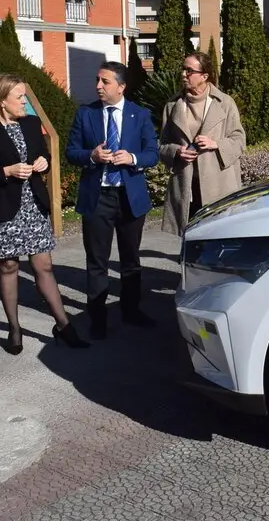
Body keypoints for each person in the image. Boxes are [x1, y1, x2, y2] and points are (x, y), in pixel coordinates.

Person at [0, 73, 89, 354]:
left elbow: (42, 155)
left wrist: (43, 162)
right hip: (2, 208)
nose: (25, 102)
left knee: (43, 266)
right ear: (2, 102)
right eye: (19, 97)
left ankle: (64, 324)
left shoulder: (32, 124)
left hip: (33, 206)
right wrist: (5, 172)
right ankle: (14, 328)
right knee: (8, 266)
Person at [65, 61, 160, 339]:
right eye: (97, 80)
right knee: (97, 262)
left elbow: (152, 153)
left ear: (121, 86)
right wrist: (91, 156)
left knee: (131, 260)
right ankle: (97, 318)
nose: (98, 86)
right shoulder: (86, 114)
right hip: (99, 197)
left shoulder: (139, 114)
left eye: (105, 81)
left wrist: (132, 158)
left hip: (130, 197)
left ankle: (131, 311)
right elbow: (72, 152)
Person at [159, 53, 246, 236]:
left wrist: (215, 144)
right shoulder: (172, 105)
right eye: (183, 69)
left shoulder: (225, 103)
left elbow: (239, 140)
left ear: (204, 76)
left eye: (189, 70)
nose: (183, 74)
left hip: (218, 183)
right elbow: (163, 145)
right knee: (190, 238)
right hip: (186, 184)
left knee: (219, 236)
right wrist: (177, 151)